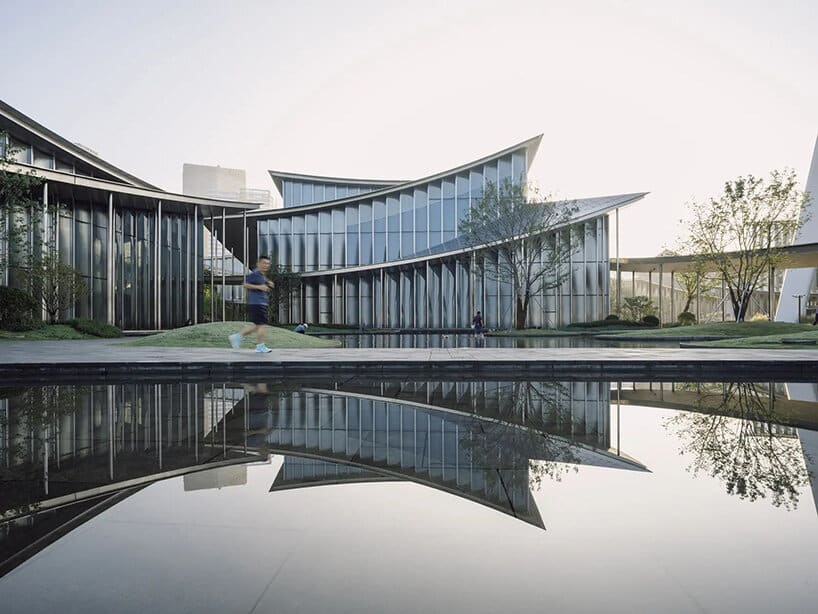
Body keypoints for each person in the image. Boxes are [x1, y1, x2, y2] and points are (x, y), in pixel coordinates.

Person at [229, 256, 274, 352]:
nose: (266, 265)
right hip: (257, 303)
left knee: (258, 325)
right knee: (262, 325)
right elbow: (245, 285)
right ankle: (260, 346)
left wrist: (269, 283)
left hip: (261, 303)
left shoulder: (262, 276)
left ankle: (237, 336)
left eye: (268, 263)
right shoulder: (255, 273)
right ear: (258, 264)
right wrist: (260, 287)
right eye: (264, 263)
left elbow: (265, 284)